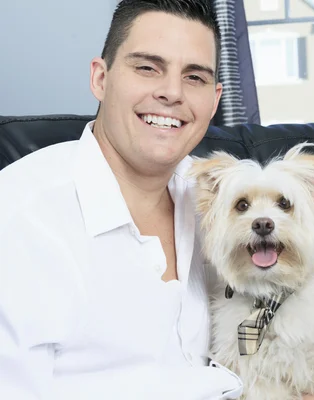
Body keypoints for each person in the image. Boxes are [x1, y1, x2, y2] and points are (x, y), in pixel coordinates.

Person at [0, 1, 246, 399]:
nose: (171, 93)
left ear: (215, 100)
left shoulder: (222, 202)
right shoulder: (18, 220)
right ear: (100, 78)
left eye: (194, 77)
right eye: (147, 67)